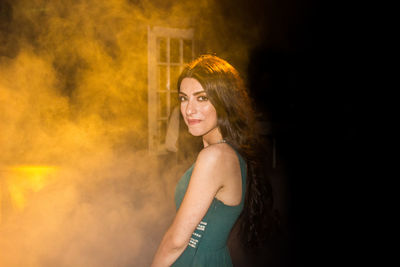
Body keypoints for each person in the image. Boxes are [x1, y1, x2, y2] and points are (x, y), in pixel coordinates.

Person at [151, 55, 278, 267]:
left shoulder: (215, 157)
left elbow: (176, 241)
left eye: (201, 98)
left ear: (223, 101)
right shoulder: (227, 152)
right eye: (184, 98)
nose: (189, 109)